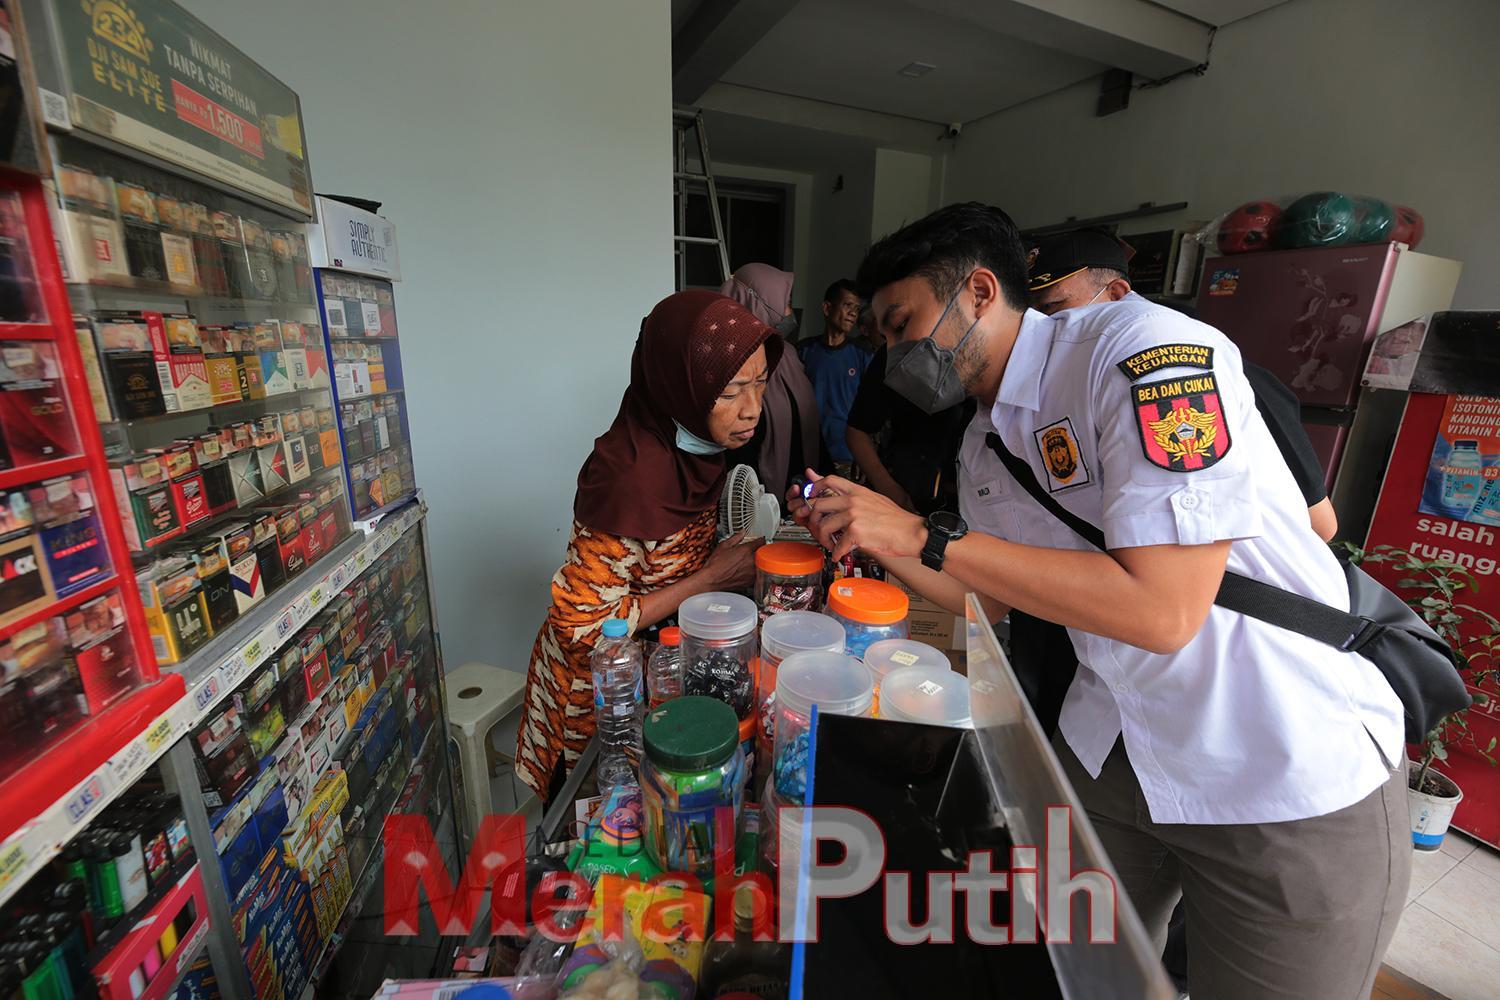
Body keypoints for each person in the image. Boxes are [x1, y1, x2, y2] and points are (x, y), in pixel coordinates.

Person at [792, 203, 1408, 1000]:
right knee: (1069, 978)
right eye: (884, 338)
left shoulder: (1148, 358)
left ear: (979, 291)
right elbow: (987, 595)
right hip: (1117, 752)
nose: (898, 355)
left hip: (1279, 763)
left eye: (904, 325)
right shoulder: (984, 440)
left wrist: (920, 535)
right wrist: (871, 535)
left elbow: (1164, 612)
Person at [516, 290, 778, 802]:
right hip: (596, 708)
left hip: (654, 678)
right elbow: (582, 626)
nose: (753, 410)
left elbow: (666, 557)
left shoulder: (698, 446)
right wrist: (708, 580)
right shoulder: (631, 478)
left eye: (762, 382)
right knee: (601, 833)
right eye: (731, 392)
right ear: (681, 387)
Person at [1028, 228, 1338, 541]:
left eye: (1052, 308)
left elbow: (1320, 526)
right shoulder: (1069, 390)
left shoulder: (1209, 375)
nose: (1043, 328)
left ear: (1117, 294)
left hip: (1238, 581)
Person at [719, 264, 825, 501]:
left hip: (801, 492)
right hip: (755, 497)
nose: (789, 312)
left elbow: (807, 421)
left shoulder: (788, 354)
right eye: (785, 301)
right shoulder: (730, 363)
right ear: (757, 302)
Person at [845, 337, 974, 516]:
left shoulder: (979, 352)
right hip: (909, 489)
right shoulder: (894, 353)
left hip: (976, 495)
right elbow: (857, 430)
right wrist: (887, 487)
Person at [797, 279, 871, 471]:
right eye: (847, 306)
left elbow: (871, 411)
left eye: (856, 308)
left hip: (846, 457)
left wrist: (866, 458)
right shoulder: (803, 351)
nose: (853, 313)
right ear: (827, 308)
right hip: (808, 454)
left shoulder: (862, 354)